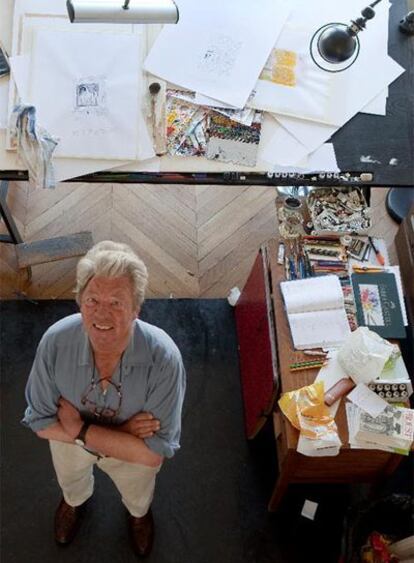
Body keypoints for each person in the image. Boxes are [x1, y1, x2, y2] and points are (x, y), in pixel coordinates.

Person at [22, 241, 186, 558]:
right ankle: (74, 503)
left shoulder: (164, 359)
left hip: (72, 437)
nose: (101, 313)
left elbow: (154, 456)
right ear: (80, 302)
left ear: (137, 309)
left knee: (138, 493)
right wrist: (125, 434)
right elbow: (40, 425)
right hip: (80, 444)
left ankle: (138, 515)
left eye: (116, 302)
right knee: (71, 481)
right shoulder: (55, 342)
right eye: (93, 300)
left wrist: (79, 430)